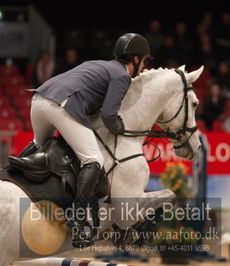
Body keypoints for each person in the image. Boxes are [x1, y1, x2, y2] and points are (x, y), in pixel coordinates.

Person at [11, 33, 151, 248]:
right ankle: (77, 221)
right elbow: (108, 115)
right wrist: (122, 129)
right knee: (93, 159)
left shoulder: (100, 65)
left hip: (39, 100)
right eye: (143, 61)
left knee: (41, 146)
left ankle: (12, 176)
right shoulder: (122, 76)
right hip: (62, 104)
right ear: (135, 59)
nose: (143, 67)